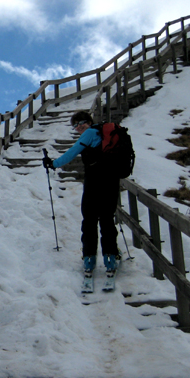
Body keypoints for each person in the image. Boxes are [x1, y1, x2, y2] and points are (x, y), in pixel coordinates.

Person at [42, 110, 120, 277]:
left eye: (81, 122)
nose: (78, 127)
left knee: (90, 220)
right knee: (107, 219)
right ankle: (110, 258)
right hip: (111, 182)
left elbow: (73, 151)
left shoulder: (90, 133)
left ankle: (89, 259)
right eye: (75, 125)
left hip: (94, 183)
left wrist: (54, 164)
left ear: (89, 122)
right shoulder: (101, 134)